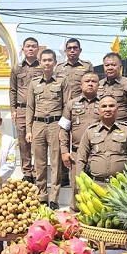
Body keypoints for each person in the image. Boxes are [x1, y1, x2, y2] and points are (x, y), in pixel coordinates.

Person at [25, 49, 70, 210]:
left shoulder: (62, 81)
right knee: (39, 163)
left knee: (56, 162)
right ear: (40, 62)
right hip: (38, 125)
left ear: (55, 63)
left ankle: (54, 198)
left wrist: (64, 129)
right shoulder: (34, 83)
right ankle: (42, 195)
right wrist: (28, 129)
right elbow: (30, 107)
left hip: (55, 125)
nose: (47, 63)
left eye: (50, 60)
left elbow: (67, 106)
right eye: (44, 60)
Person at [59, 71, 102, 211]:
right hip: (77, 155)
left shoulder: (105, 104)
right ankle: (74, 221)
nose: (90, 84)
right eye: (87, 81)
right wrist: (64, 152)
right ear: (81, 85)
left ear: (98, 85)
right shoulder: (71, 104)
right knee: (77, 189)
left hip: (98, 154)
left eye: (94, 81)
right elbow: (64, 130)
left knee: (97, 188)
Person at [76, 96, 127, 187]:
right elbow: (81, 159)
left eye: (111, 106)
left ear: (117, 109)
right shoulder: (90, 131)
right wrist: (80, 185)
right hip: (96, 185)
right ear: (99, 110)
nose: (108, 109)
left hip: (121, 185)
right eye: (104, 106)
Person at [55, 38, 93, 187]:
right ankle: (64, 175)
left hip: (81, 108)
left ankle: (86, 170)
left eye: (75, 48)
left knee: (80, 141)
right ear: (65, 51)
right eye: (69, 48)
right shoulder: (59, 68)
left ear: (80, 50)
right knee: (63, 141)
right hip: (62, 109)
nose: (72, 51)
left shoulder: (86, 66)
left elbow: (92, 82)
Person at [9, 37, 43, 184]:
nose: (31, 49)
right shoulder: (16, 68)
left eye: (34, 46)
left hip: (39, 110)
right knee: (23, 142)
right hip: (22, 110)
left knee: (37, 141)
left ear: (38, 49)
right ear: (22, 49)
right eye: (28, 46)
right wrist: (13, 109)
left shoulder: (42, 67)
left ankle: (37, 172)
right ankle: (27, 171)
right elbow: (12, 90)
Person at [98, 52, 127, 131]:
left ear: (120, 67)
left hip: (121, 128)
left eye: (113, 65)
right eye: (107, 65)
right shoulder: (98, 84)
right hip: (101, 129)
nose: (110, 68)